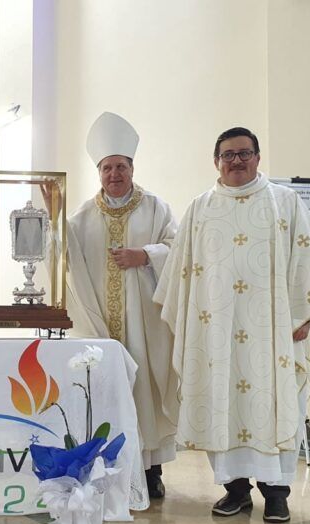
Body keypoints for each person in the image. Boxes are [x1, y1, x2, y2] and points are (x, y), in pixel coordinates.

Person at [154, 127, 310, 523]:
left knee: (275, 409)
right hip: (216, 336)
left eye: (244, 153)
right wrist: (189, 325)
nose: (236, 161)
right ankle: (236, 490)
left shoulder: (285, 202)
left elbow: (306, 262)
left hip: (274, 336)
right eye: (228, 155)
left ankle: (277, 494)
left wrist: (304, 316)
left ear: (257, 157)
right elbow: (180, 276)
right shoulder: (200, 208)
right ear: (216, 162)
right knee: (223, 406)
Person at [58, 112, 179, 500]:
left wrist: (145, 255)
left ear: (132, 168)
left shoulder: (156, 208)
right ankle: (107, 469)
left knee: (144, 390)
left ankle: (151, 470)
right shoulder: (82, 217)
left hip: (145, 323)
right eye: (107, 168)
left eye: (121, 167)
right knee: (107, 390)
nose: (114, 174)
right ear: (99, 172)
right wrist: (51, 215)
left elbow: (179, 250)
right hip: (101, 325)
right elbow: (64, 256)